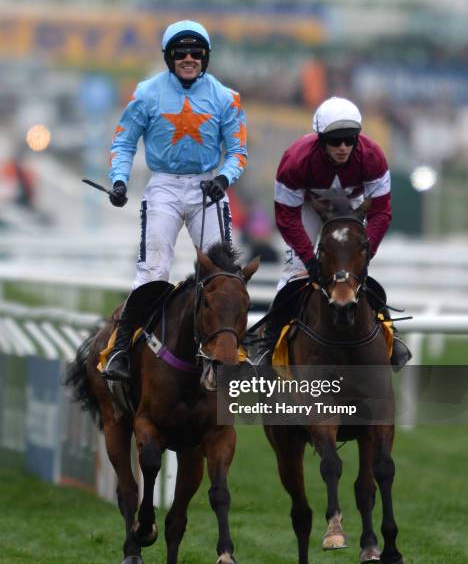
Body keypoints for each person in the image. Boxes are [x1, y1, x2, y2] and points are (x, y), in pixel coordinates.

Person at [102, 20, 248, 380]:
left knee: (223, 274)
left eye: (196, 53)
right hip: (164, 187)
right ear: (168, 57)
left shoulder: (226, 97)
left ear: (205, 58)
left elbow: (238, 150)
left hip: (207, 188)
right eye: (180, 53)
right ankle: (121, 348)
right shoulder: (146, 93)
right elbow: (123, 142)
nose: (188, 58)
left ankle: (235, 350)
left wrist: (224, 178)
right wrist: (119, 181)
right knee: (153, 270)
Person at [258, 96, 411, 368]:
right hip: (306, 206)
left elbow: (380, 213)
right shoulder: (295, 160)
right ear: (320, 139)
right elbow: (287, 216)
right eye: (335, 141)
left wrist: (364, 252)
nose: (343, 148)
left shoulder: (373, 156)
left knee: (354, 271)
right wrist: (308, 259)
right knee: (294, 273)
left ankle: (390, 337)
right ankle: (268, 344)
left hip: (350, 205)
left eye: (349, 140)